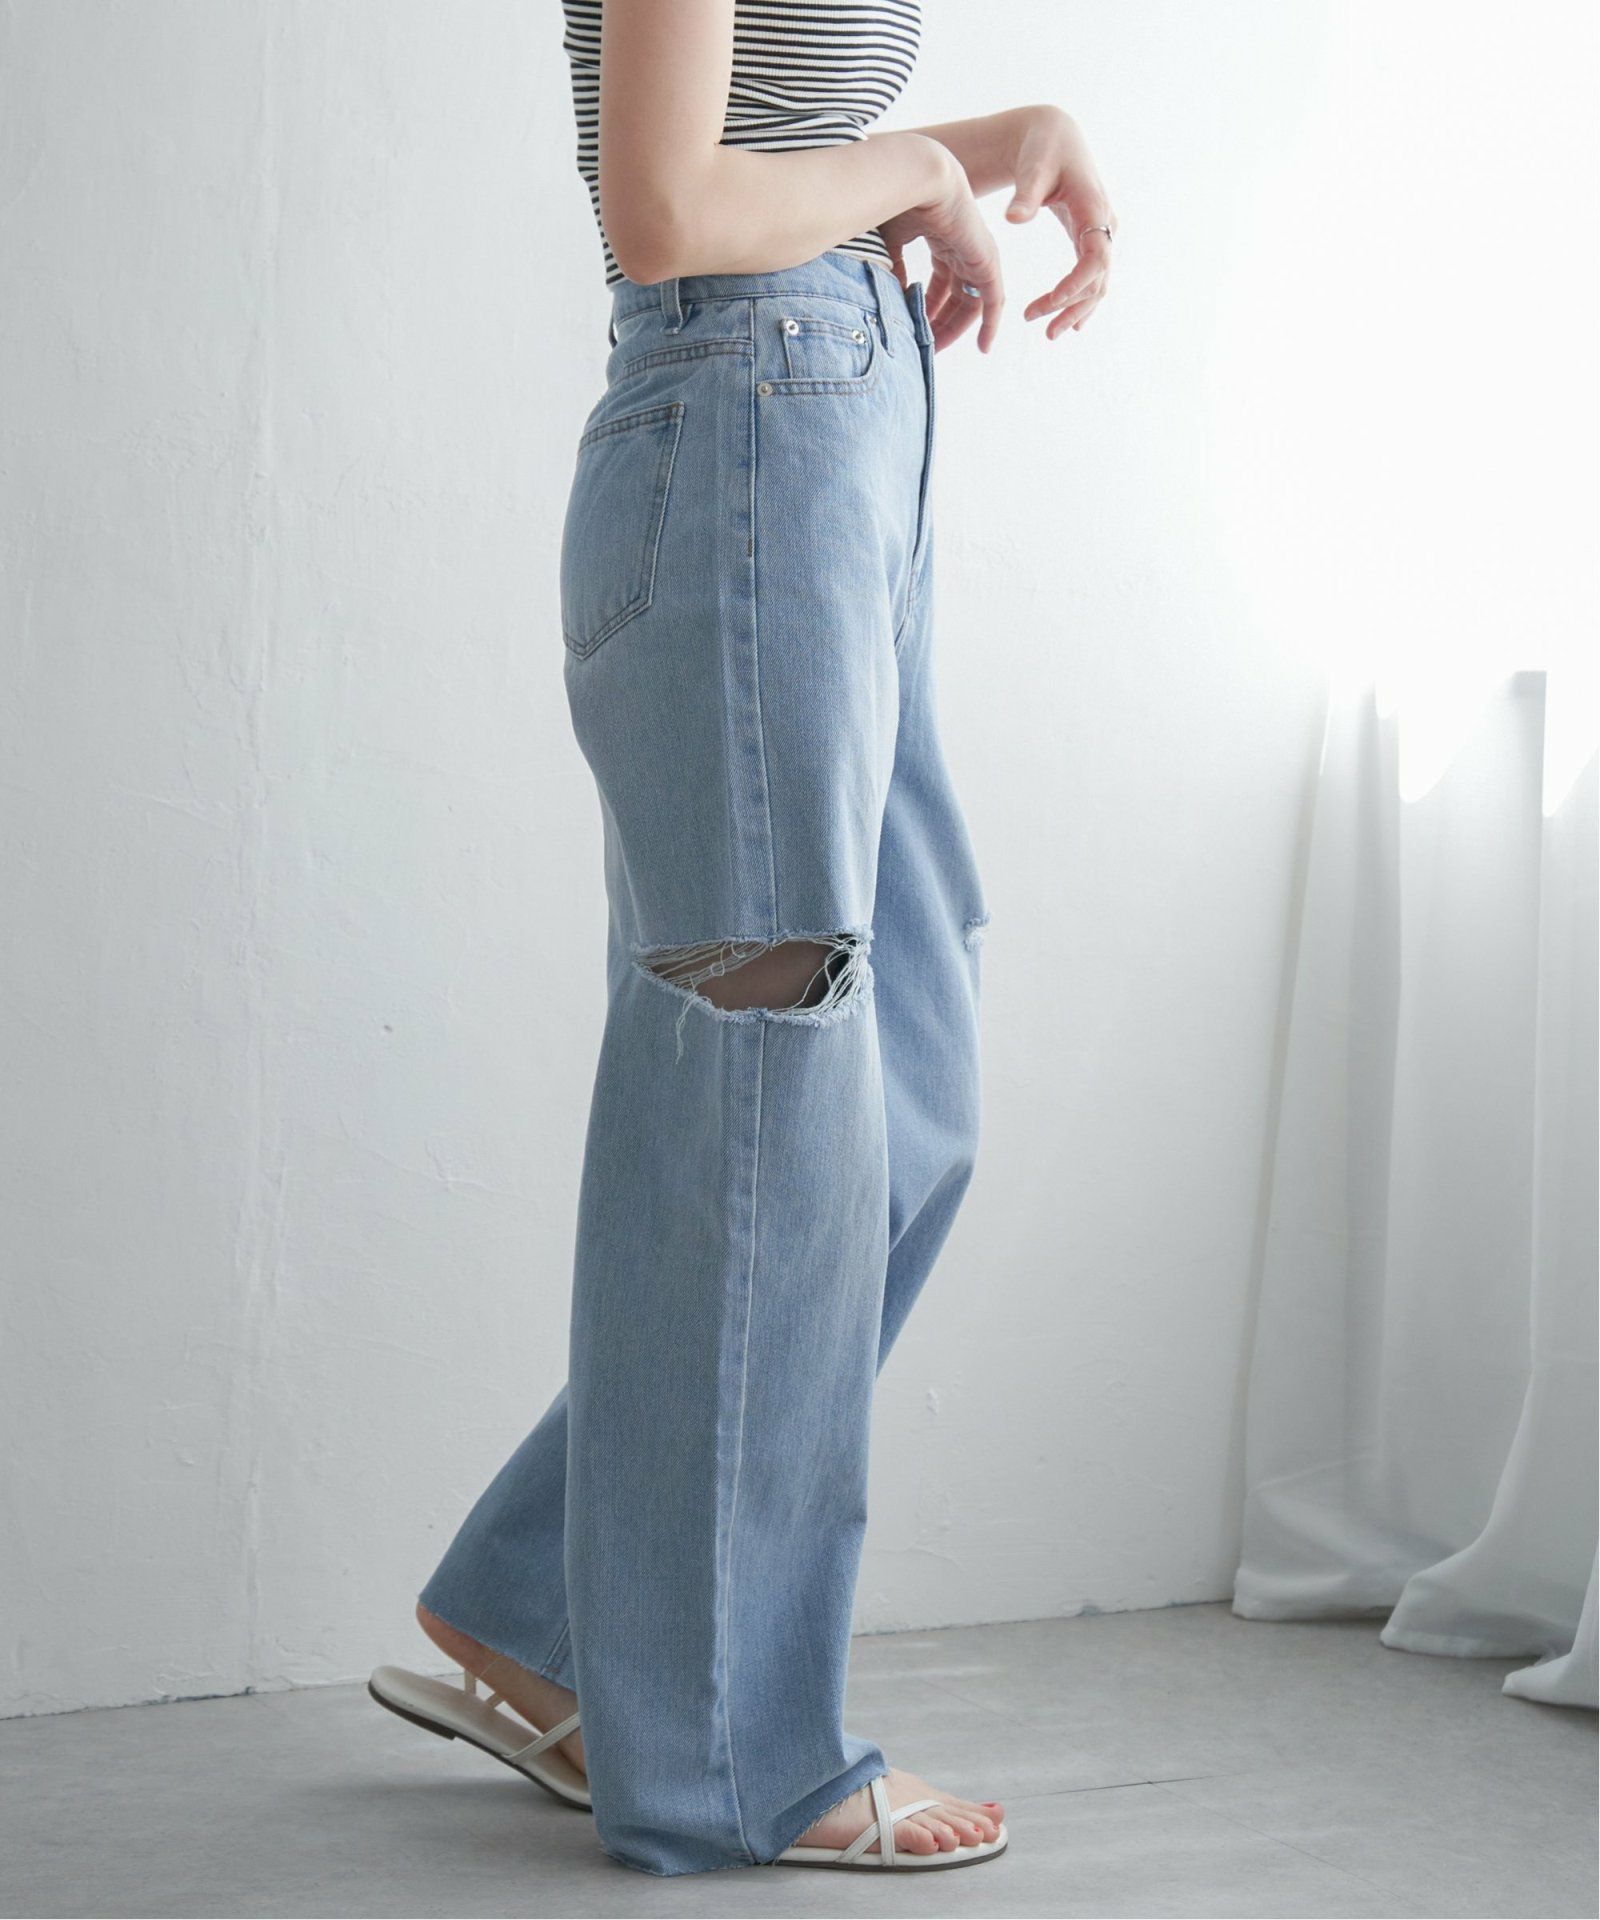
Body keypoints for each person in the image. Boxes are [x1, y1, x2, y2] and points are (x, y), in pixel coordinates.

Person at [369, 0, 1115, 1878]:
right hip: (751, 429)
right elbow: (667, 204)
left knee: (900, 1103)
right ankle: (728, 1756)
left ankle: (545, 1607)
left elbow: (755, 128)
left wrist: (988, 138)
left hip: (840, 425)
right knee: (769, 1120)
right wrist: (928, 167)